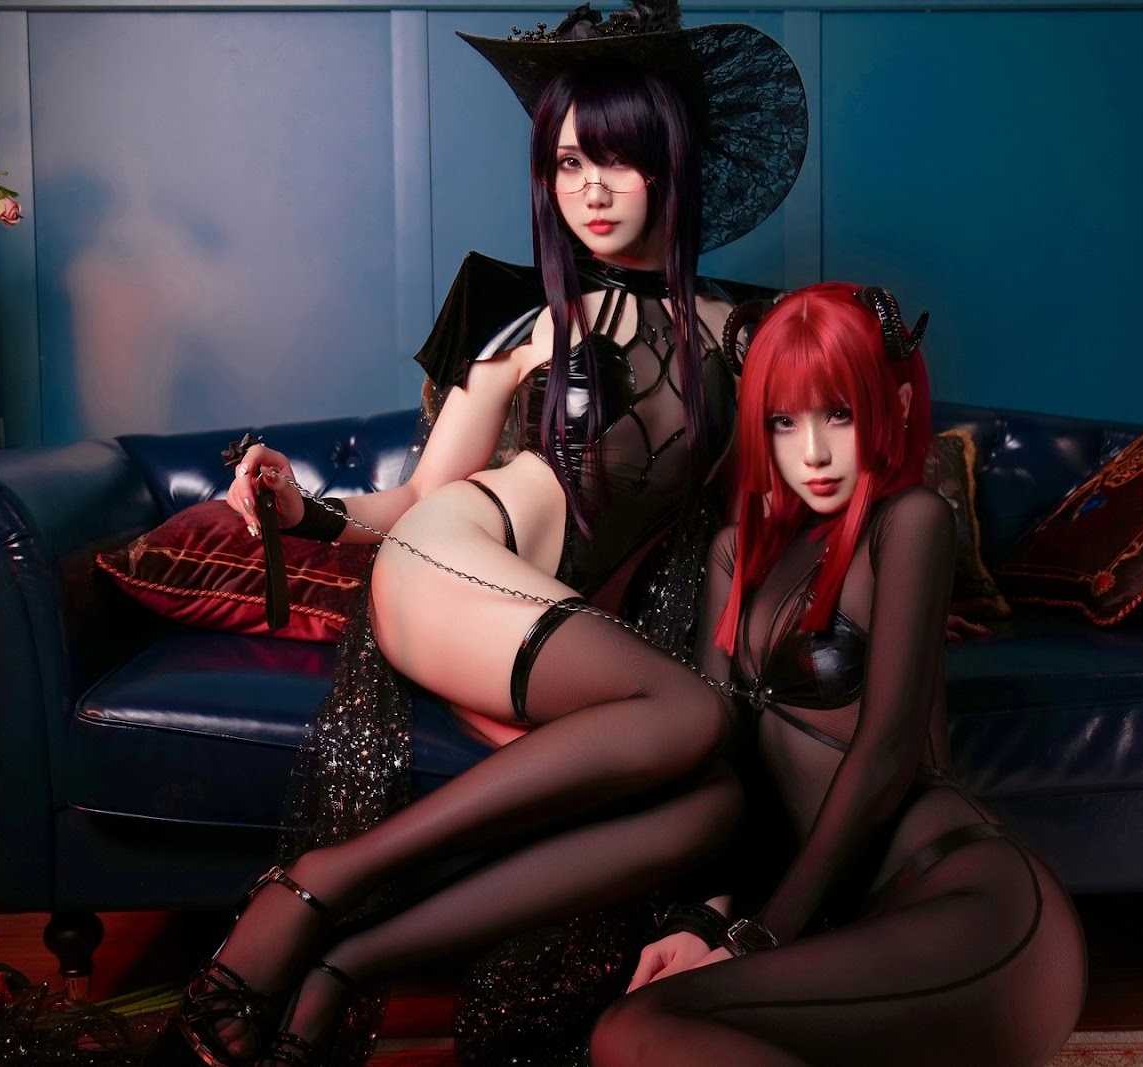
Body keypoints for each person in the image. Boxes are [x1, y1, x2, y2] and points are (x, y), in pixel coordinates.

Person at [151, 3, 810, 1064]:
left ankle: (344, 962)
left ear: (672, 168)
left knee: (712, 800)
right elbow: (417, 496)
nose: (591, 190)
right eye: (567, 164)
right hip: (445, 566)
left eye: (619, 161)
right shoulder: (513, 308)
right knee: (691, 716)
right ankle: (321, 881)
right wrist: (305, 510)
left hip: (548, 635)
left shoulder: (747, 335)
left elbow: (741, 542)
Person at [588, 283, 1087, 1066]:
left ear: (893, 405)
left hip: (969, 909)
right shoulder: (735, 555)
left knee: (634, 1032)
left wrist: (756, 936)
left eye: (840, 416)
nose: (813, 453)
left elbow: (885, 753)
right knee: (633, 1028)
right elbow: (723, 766)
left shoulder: (912, 520)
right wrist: (701, 916)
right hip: (850, 935)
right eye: (784, 422)